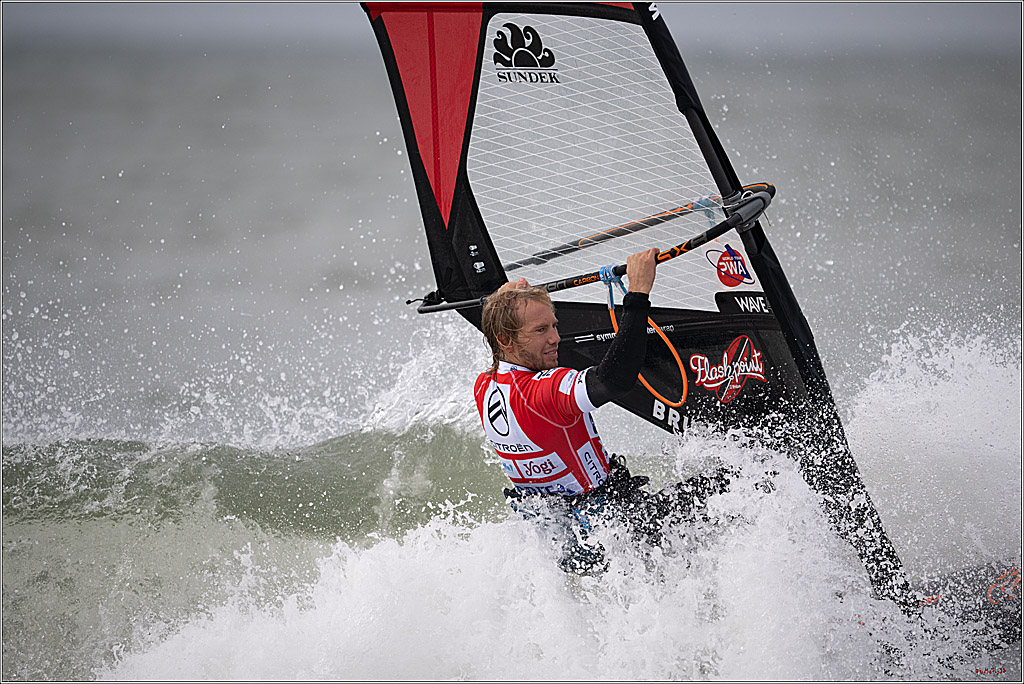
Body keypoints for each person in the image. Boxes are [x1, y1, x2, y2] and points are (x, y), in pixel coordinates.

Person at [474, 248, 732, 574]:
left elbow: (497, 336)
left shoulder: (484, 386)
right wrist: (638, 294)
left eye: (554, 325)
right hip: (614, 535)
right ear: (506, 339)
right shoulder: (544, 392)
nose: (556, 338)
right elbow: (613, 380)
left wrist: (502, 303)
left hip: (566, 546)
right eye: (541, 330)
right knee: (735, 486)